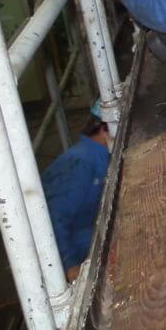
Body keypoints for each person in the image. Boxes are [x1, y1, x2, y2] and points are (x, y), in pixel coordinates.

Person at [43, 101, 111, 281]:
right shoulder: (79, 163)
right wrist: (68, 265)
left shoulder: (101, 156)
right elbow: (52, 218)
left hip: (89, 230)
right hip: (73, 244)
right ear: (105, 130)